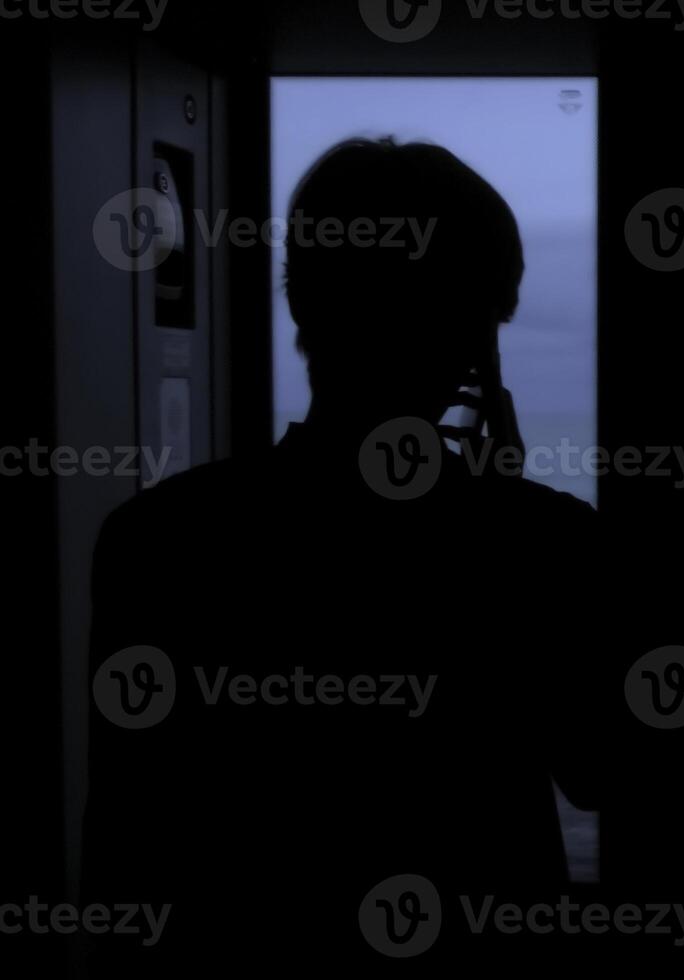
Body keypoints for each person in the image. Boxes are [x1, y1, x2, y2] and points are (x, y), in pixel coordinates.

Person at [81, 139, 615, 969]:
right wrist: (505, 517)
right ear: (479, 333)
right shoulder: (541, 542)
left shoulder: (158, 538)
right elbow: (596, 765)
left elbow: (127, 836)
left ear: (304, 307)